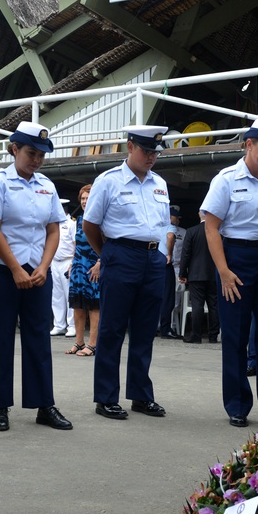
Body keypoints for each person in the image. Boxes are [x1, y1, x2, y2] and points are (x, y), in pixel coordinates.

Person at [0, 121, 73, 432]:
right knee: (0, 338)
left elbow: (53, 228)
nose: (37, 160)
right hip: (1, 270)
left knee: (38, 337)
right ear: (14, 149)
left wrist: (43, 267)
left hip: (37, 270)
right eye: (31, 153)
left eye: (41, 155)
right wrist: (15, 268)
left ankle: (44, 404)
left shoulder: (47, 185)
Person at [200, 118, 258, 428]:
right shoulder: (226, 179)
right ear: (249, 144)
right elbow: (211, 227)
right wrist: (223, 271)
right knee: (236, 336)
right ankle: (237, 405)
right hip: (237, 259)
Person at [83, 125, 171, 420]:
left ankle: (141, 395)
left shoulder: (160, 183)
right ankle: (106, 397)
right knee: (112, 329)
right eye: (147, 151)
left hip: (152, 258)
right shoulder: (108, 181)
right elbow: (90, 225)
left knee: (145, 331)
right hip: (121, 254)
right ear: (130, 146)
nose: (151, 157)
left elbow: (161, 226)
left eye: (155, 153)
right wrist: (107, 255)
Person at [67, 183, 101, 357]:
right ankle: (79, 342)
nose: (85, 201)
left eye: (88, 198)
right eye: (82, 198)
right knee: (77, 305)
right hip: (79, 265)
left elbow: (107, 243)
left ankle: (93, 344)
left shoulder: (100, 218)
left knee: (94, 306)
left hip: (94, 266)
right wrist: (72, 263)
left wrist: (100, 263)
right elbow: (76, 245)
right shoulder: (78, 220)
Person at [178, 211, 219, 344]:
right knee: (214, 306)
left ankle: (196, 336)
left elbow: (185, 254)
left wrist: (182, 273)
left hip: (196, 274)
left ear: (198, 215)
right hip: (214, 273)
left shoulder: (192, 231)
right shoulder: (218, 231)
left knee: (197, 305)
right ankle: (213, 336)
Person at [49, 201, 76, 336]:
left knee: (69, 295)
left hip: (67, 261)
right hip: (54, 261)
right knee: (56, 295)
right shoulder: (52, 224)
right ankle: (59, 324)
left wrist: (74, 263)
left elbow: (76, 244)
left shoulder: (71, 224)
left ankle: (72, 326)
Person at [158, 208, 183, 339]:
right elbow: (170, 236)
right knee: (168, 298)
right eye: (175, 217)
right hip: (165, 263)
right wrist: (169, 253)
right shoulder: (170, 227)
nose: (177, 220)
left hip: (152, 262)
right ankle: (165, 329)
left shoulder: (154, 225)